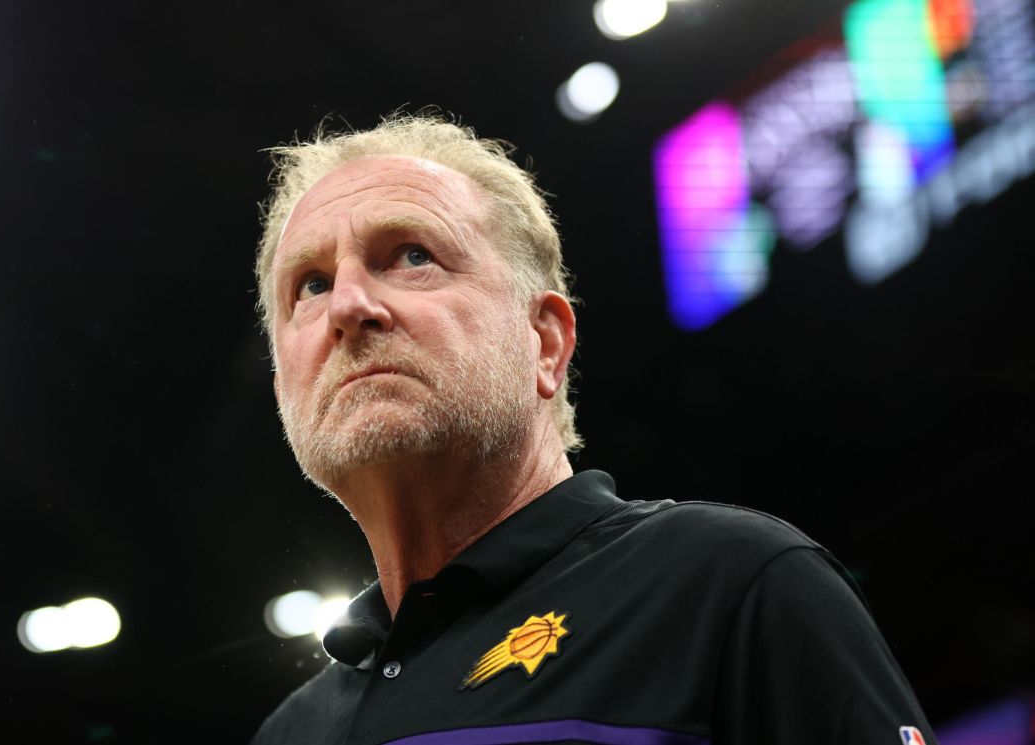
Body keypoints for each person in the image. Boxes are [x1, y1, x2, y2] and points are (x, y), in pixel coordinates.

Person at [250, 113, 936, 745]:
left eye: (410, 254)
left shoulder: (728, 582)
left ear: (545, 341)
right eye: (308, 285)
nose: (347, 304)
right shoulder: (289, 733)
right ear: (286, 384)